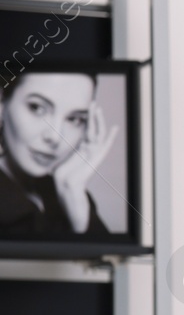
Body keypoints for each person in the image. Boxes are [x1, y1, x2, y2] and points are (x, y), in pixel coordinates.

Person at [0, 71, 117, 239]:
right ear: (2, 103)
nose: (55, 137)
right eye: (37, 108)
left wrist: (72, 193)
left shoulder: (68, 192)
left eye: (74, 119)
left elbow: (108, 261)